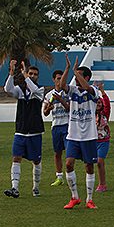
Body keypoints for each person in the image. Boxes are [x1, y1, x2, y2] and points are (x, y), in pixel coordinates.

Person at [62, 58, 101, 210]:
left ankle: (89, 199)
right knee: (69, 164)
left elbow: (86, 88)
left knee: (89, 167)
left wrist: (75, 73)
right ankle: (74, 197)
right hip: (73, 135)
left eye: (80, 76)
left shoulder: (93, 90)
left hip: (89, 135)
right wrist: (68, 69)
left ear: (86, 78)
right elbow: (61, 86)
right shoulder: (72, 90)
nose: (76, 79)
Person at [3, 60, 45, 199]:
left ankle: (36, 186)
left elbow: (33, 89)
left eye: (35, 74)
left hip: (35, 132)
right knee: (16, 158)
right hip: (20, 131)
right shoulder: (20, 90)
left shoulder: (40, 90)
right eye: (30, 73)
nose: (32, 76)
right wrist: (11, 73)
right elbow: (8, 89)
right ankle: (14, 187)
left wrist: (25, 76)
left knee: (36, 161)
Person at [43, 58, 72, 187]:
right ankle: (59, 177)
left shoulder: (68, 93)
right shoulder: (49, 94)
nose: (59, 80)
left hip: (67, 125)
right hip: (55, 126)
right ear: (54, 79)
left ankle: (70, 175)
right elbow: (45, 113)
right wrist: (49, 107)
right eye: (58, 78)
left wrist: (60, 100)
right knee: (57, 153)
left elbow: (70, 109)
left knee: (69, 153)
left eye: (61, 78)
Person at [95, 81, 111, 192]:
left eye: (100, 103)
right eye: (97, 103)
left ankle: (102, 184)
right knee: (92, 163)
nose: (99, 104)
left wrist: (102, 91)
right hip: (92, 141)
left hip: (103, 141)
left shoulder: (105, 114)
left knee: (100, 161)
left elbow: (107, 103)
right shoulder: (90, 114)